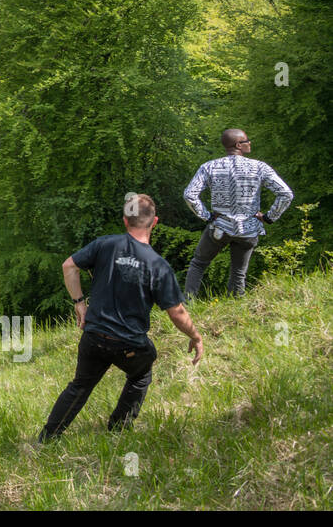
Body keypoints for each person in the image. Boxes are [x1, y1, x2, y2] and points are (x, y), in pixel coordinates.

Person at [40, 194, 204, 441]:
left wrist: (79, 304)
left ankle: (47, 439)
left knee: (80, 386)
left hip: (94, 336)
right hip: (129, 344)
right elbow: (176, 312)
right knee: (141, 375)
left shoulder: (104, 245)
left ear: (125, 221)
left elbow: (69, 266)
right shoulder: (158, 265)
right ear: (155, 222)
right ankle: (117, 430)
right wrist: (196, 336)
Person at [183, 128, 293, 298]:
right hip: (248, 230)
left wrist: (207, 216)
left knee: (198, 264)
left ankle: (188, 304)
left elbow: (189, 195)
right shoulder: (260, 167)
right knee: (238, 272)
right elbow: (286, 194)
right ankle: (235, 309)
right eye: (247, 140)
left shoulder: (209, 166)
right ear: (238, 145)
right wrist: (269, 217)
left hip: (220, 227)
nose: (250, 143)